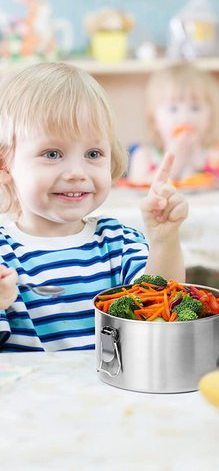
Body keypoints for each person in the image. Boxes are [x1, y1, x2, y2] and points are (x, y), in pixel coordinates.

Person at [0, 62, 188, 352]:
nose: (77, 172)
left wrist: (164, 241)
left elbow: (160, 310)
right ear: (5, 165)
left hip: (111, 394)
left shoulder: (119, 243)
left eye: (93, 153)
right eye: (52, 153)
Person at [127, 63, 219, 183]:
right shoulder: (144, 156)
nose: (185, 118)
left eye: (195, 108)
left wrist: (204, 165)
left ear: (210, 118)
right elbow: (139, 188)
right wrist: (175, 161)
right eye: (173, 109)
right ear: (153, 119)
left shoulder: (218, 156)